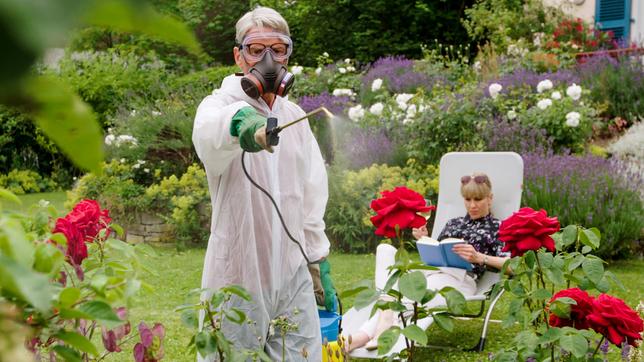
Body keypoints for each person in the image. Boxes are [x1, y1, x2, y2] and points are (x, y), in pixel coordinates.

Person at [192, 6, 329, 361]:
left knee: (303, 356)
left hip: (291, 270)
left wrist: (316, 256)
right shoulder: (218, 104)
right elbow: (210, 137)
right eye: (256, 49)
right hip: (237, 272)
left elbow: (311, 189)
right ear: (239, 56)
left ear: (288, 54)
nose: (268, 59)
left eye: (277, 49)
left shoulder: (294, 115)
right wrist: (243, 125)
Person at [344, 172, 510, 352]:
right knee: (384, 250)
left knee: (407, 294)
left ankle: (359, 336)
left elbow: (511, 266)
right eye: (467, 199)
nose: (472, 205)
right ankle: (384, 319)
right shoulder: (453, 223)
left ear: (490, 198)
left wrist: (479, 257)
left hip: (460, 279)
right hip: (432, 272)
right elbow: (437, 250)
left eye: (478, 199)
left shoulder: (498, 228)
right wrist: (424, 239)